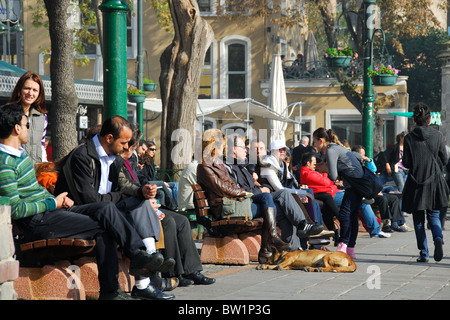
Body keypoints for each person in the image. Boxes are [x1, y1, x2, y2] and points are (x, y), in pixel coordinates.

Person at [0, 103, 171, 300]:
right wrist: (51, 203)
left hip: (53, 211)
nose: (29, 128)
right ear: (16, 128)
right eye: (26, 124)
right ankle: (119, 279)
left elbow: (34, 191)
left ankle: (132, 262)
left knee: (106, 210)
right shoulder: (5, 162)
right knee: (105, 225)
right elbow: (12, 209)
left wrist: (55, 199)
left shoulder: (19, 155)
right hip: (38, 222)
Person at [54, 116, 175, 300]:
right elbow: (90, 200)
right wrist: (120, 196)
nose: (127, 147)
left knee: (138, 202)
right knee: (106, 220)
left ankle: (141, 262)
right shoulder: (82, 155)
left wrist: (141, 191)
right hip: (76, 212)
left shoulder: (114, 157)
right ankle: (137, 257)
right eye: (124, 142)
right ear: (109, 138)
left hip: (104, 210)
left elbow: (124, 185)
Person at [114, 125, 215, 287]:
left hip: (143, 202)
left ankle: (191, 270)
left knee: (182, 221)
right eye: (132, 146)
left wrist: (148, 191)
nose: (135, 150)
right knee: (168, 222)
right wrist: (144, 196)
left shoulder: (130, 159)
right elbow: (124, 186)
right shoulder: (117, 161)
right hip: (133, 207)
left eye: (133, 146)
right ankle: (173, 273)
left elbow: (140, 180)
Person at [197, 129, 295, 262]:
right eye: (222, 146)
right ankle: (267, 247)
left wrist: (243, 192)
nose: (224, 148)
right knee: (271, 204)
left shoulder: (219, 164)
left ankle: (268, 245)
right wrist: (243, 192)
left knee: (268, 199)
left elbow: (231, 184)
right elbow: (221, 188)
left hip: (235, 203)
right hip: (226, 209)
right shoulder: (204, 167)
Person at [225, 135, 324, 255]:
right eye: (243, 147)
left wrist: (262, 188)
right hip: (248, 203)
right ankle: (304, 226)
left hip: (257, 199)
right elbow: (239, 190)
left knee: (288, 209)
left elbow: (253, 187)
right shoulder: (231, 167)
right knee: (284, 194)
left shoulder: (243, 166)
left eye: (284, 149)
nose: (246, 149)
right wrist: (261, 190)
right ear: (234, 149)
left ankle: (293, 250)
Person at [402, 103, 449, 262]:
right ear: (429, 119)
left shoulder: (408, 138)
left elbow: (406, 163)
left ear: (415, 120)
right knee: (434, 215)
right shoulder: (437, 135)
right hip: (434, 181)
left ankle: (424, 253)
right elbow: (445, 158)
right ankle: (438, 237)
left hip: (416, 182)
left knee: (418, 219)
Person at [312, 128, 365, 258]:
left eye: (314, 142)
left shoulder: (330, 150)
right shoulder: (335, 148)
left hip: (354, 185)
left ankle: (343, 246)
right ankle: (350, 249)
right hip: (359, 183)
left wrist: (324, 168)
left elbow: (333, 175)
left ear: (321, 140)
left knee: (345, 214)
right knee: (352, 216)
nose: (313, 145)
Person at [352, 145, 412, 233]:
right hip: (368, 194)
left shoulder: (364, 164)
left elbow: (374, 170)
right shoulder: (355, 167)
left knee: (394, 198)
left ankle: (396, 223)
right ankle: (385, 223)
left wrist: (369, 160)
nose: (364, 157)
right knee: (382, 199)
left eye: (364, 155)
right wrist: (375, 192)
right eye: (362, 155)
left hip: (375, 191)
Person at [7, 71, 48, 165]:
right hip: (13, 170)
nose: (30, 93)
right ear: (19, 90)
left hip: (34, 172)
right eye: (27, 88)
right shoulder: (8, 113)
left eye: (35, 90)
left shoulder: (42, 117)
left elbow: (41, 146)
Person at [138, 141, 178, 210]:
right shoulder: (143, 161)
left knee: (174, 185)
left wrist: (156, 171)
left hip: (154, 182)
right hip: (147, 183)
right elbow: (146, 177)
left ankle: (166, 209)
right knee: (163, 184)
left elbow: (155, 177)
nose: (154, 151)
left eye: (155, 150)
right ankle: (173, 207)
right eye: (152, 149)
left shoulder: (151, 161)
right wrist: (161, 182)